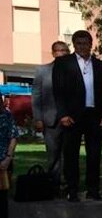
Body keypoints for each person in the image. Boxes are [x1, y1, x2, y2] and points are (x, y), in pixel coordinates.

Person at [52, 30, 102, 201]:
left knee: (94, 154)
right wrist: (62, 114)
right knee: (71, 154)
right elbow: (58, 91)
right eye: (78, 43)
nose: (82, 46)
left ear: (90, 44)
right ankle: (72, 189)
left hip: (94, 115)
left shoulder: (100, 66)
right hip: (72, 116)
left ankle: (93, 190)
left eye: (85, 43)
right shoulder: (63, 63)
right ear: (74, 44)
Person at [31, 40, 71, 189]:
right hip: (50, 119)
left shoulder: (74, 71)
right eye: (58, 50)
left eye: (64, 50)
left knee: (69, 155)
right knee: (53, 155)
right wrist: (38, 118)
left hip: (70, 120)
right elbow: (36, 95)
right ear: (53, 53)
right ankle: (52, 185)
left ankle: (68, 184)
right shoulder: (42, 71)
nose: (61, 53)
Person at [0, 96, 19, 218]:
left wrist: (8, 158)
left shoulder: (7, 116)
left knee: (2, 203)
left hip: (3, 163)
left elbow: (13, 137)